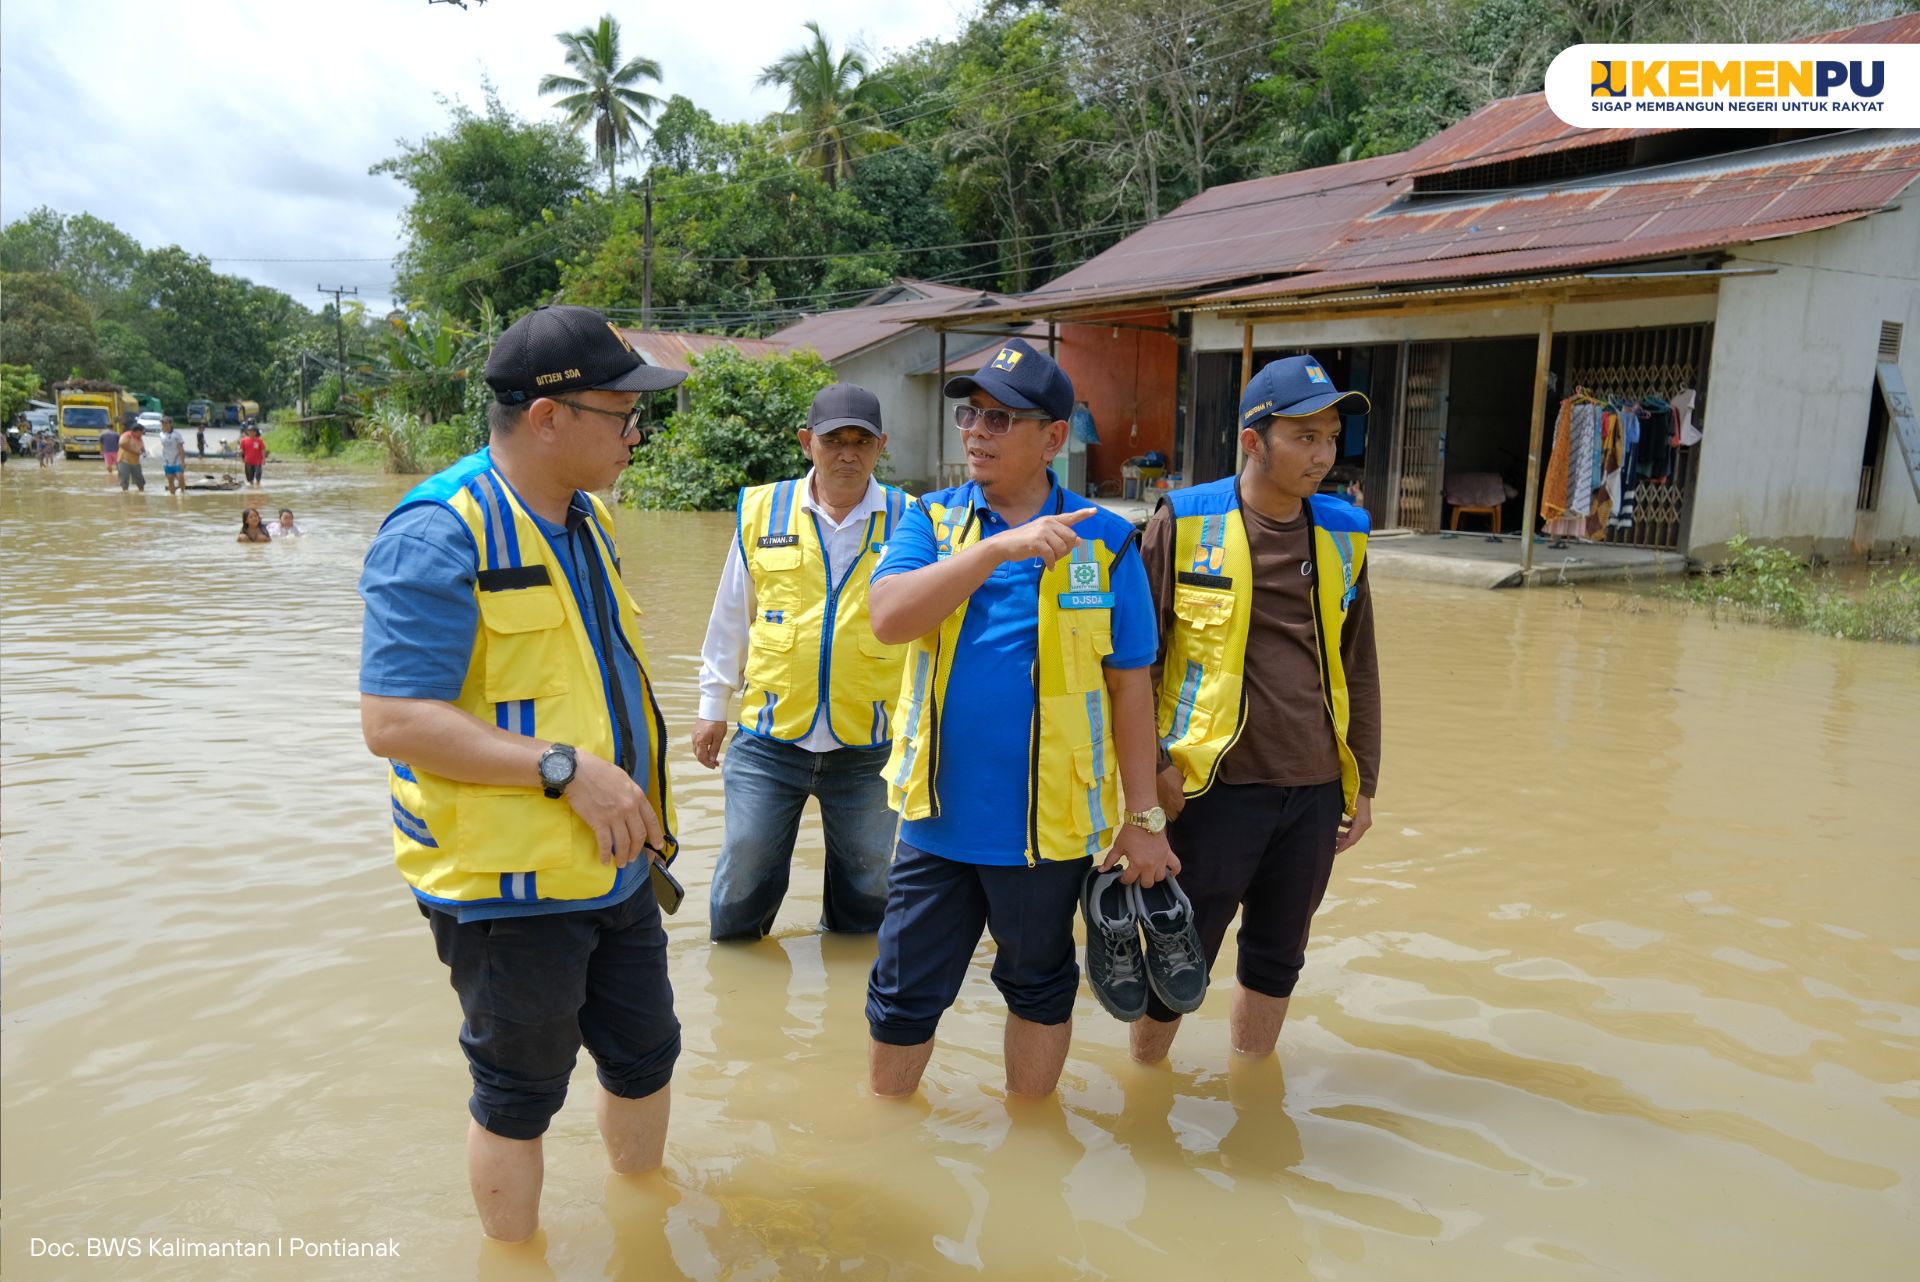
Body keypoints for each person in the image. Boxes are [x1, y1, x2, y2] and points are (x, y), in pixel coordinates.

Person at [356, 304, 688, 1242]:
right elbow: (394, 721)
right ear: (549, 419)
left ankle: (643, 1235)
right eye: (624, 415)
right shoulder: (437, 534)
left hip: (616, 857)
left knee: (646, 1055)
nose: (637, 434)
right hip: (507, 887)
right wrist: (562, 769)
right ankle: (517, 1260)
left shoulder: (587, 521)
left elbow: (595, 680)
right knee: (518, 1094)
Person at [862, 337, 1174, 1100]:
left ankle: (1031, 1138)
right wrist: (997, 549)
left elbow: (1131, 689)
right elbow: (889, 619)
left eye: (1002, 420)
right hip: (936, 822)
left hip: (1049, 829)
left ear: (1054, 439)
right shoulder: (930, 524)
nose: (976, 432)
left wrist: (1145, 820)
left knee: (1038, 986)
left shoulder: (1106, 540)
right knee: (902, 997)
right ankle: (887, 1133)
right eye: (972, 415)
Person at [1131, 354, 1382, 1066]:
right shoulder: (1183, 522)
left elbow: (1358, 663)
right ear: (1252, 441)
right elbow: (1134, 666)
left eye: (1331, 437)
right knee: (1177, 959)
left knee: (1278, 958)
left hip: (1311, 792)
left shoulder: (1343, 531)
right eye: (1304, 437)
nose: (1324, 454)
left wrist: (1363, 781)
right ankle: (1144, 1092)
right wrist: (1146, 784)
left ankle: (1251, 1094)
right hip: (1208, 790)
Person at [692, 384, 910, 942]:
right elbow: (730, 615)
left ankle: (852, 989)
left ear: (881, 446)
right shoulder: (763, 509)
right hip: (769, 739)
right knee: (742, 878)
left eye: (862, 441)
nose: (848, 453)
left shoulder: (912, 519)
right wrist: (711, 706)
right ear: (806, 442)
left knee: (869, 897)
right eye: (834, 439)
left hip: (869, 747)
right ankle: (736, 989)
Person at [159, 417, 187, 495]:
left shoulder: (176, 434)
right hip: (167, 460)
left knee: (180, 477)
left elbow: (181, 448)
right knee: (170, 479)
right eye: (163, 423)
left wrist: (183, 461)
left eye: (166, 423)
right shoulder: (161, 434)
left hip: (177, 459)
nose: (164, 425)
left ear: (170, 424)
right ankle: (172, 495)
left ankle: (182, 492)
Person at [117, 421, 147, 491]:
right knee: (124, 479)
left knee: (140, 480)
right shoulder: (127, 435)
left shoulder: (139, 438)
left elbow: (142, 447)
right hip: (124, 460)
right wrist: (135, 452)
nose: (142, 434)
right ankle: (125, 493)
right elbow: (121, 444)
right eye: (141, 432)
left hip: (135, 462)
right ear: (137, 431)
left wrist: (144, 452)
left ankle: (141, 492)